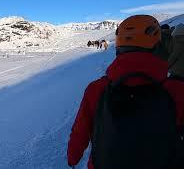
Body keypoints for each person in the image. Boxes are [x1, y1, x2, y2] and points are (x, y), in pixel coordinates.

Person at [67, 15, 184, 169]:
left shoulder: (96, 89)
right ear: (158, 47)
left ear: (119, 48)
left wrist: (73, 158)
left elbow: (80, 131)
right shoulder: (176, 90)